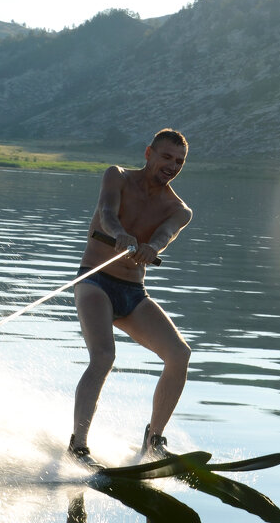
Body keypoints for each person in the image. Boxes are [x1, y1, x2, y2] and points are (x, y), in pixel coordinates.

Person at [69, 129, 193, 466]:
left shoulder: (179, 209)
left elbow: (166, 234)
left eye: (179, 161)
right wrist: (120, 234)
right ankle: (78, 446)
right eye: (166, 157)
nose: (172, 165)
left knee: (179, 354)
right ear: (149, 153)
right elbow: (107, 213)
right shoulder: (117, 176)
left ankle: (154, 440)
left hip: (132, 293)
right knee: (104, 356)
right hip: (94, 281)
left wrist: (153, 246)